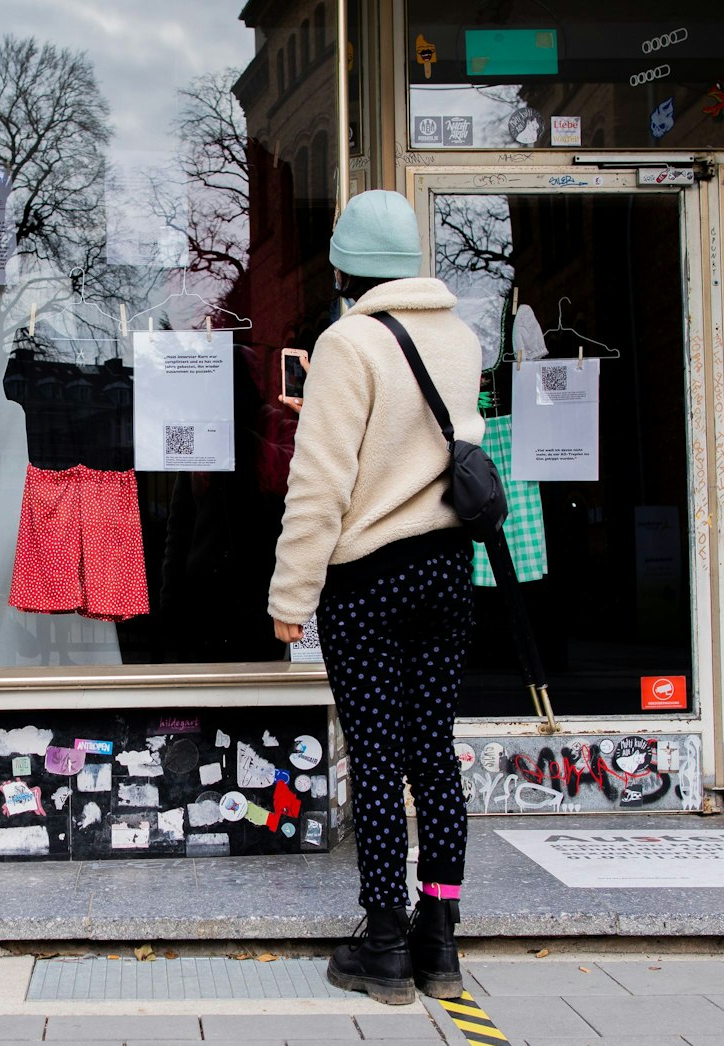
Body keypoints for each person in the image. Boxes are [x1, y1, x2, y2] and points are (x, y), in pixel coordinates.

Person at [267, 189, 484, 1004]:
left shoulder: (346, 344)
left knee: (378, 753)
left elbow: (320, 485)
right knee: (433, 748)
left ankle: (385, 943)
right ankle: (441, 938)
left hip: (368, 581)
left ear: (345, 265)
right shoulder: (460, 337)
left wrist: (292, 592)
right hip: (446, 568)